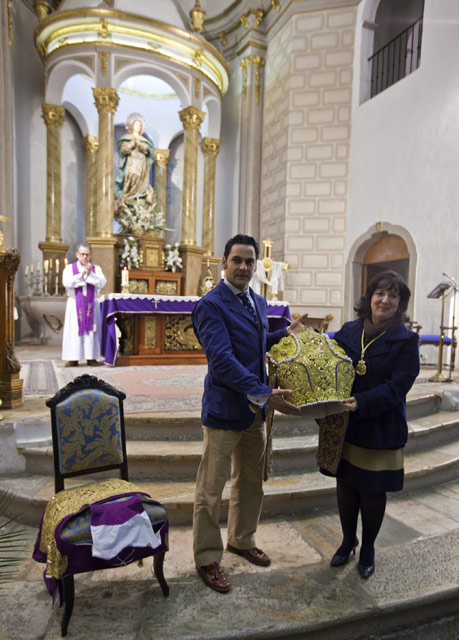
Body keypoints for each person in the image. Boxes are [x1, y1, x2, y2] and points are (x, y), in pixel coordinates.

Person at [191, 234, 308, 593]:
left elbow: (256, 344)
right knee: (211, 491)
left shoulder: (257, 301)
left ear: (256, 266)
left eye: (249, 261)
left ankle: (241, 539)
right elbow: (223, 361)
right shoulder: (210, 305)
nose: (243, 267)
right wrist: (263, 393)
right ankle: (207, 558)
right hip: (226, 411)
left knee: (250, 482)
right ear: (223, 263)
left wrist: (282, 334)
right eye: (237, 260)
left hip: (254, 413)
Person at [329, 270, 420, 579]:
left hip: (381, 426)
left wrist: (363, 402)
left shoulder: (406, 341)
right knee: (345, 486)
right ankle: (347, 540)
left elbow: (399, 387)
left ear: (401, 303)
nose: (385, 300)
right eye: (380, 293)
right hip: (347, 426)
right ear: (369, 298)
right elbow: (328, 363)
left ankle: (367, 547)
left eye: (393, 295)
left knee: (371, 491)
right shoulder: (349, 331)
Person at [62, 244, 107, 367]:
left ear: (90, 255)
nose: (85, 257)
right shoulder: (69, 269)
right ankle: (73, 358)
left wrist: (89, 274)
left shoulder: (96, 269)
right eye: (82, 254)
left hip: (91, 302)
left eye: (87, 254)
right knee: (74, 331)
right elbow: (67, 283)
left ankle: (91, 358)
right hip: (75, 303)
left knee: (92, 330)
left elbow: (102, 282)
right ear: (77, 255)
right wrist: (81, 275)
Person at [114, 114, 154, 210]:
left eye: (139, 126)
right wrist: (132, 144)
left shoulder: (144, 140)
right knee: (132, 176)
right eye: (136, 125)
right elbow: (124, 150)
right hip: (131, 163)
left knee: (140, 179)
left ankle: (140, 195)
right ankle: (129, 194)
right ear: (131, 126)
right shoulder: (127, 137)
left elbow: (148, 151)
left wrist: (140, 145)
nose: (138, 127)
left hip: (141, 164)